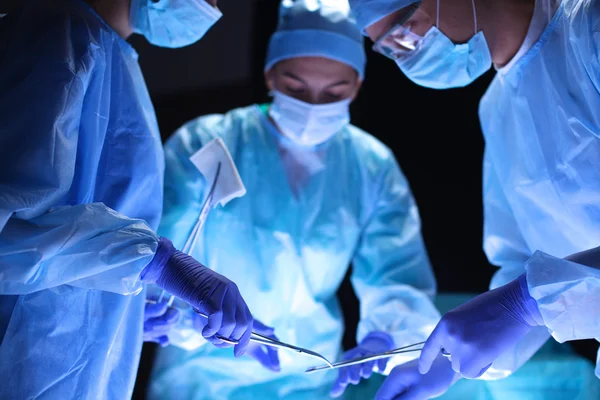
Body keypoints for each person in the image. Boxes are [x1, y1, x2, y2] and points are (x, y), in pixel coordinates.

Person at [148, 0, 441, 398]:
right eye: (294, 87)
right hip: (202, 374)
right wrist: (192, 322)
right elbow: (156, 261)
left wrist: (388, 336)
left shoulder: (370, 167)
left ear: (356, 86)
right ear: (270, 74)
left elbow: (397, 274)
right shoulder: (208, 144)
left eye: (333, 91)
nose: (311, 106)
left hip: (311, 374)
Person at [344, 0, 600, 398]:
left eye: (403, 31)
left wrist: (527, 303)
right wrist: (450, 362)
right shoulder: (498, 109)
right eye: (388, 49)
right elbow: (524, 262)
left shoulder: (589, 31)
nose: (405, 58)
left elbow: (533, 291)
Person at [0, 0, 254, 398]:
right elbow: (7, 233)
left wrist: (124, 316)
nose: (215, 6)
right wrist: (155, 262)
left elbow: (78, 237)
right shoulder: (60, 37)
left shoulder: (110, 56)